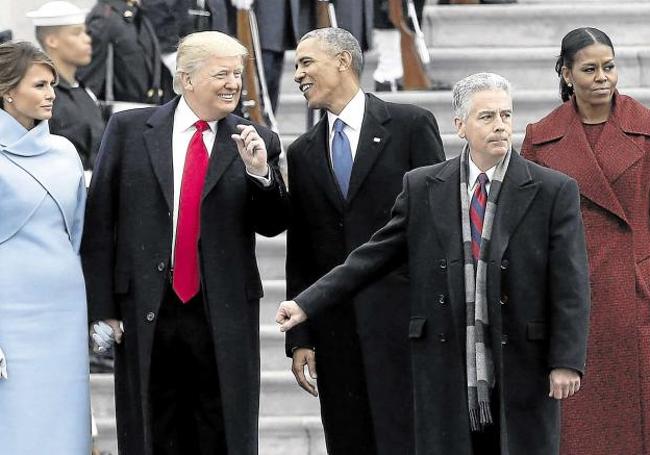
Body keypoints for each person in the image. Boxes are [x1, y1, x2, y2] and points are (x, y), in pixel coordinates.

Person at [277, 72, 591, 455]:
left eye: (506, 116)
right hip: (444, 360)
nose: (500, 126)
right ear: (460, 125)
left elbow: (570, 284)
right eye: (487, 116)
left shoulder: (552, 189)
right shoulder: (423, 186)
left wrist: (566, 361)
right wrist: (306, 303)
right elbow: (371, 256)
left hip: (521, 360)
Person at [81, 31, 288, 455]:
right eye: (222, 74)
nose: (233, 83)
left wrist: (260, 175)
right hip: (147, 307)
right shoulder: (128, 129)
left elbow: (273, 224)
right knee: (152, 429)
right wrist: (102, 308)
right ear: (185, 79)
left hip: (221, 310)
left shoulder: (256, 139)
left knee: (220, 429)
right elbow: (101, 223)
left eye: (237, 73)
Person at [286, 26, 444, 455]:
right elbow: (301, 250)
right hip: (337, 332)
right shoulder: (302, 152)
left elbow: (438, 225)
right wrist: (300, 338)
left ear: (342, 61)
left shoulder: (410, 126)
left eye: (306, 62)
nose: (297, 74)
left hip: (404, 323)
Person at [521, 27, 650, 455]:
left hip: (634, 293)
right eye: (589, 69)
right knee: (580, 432)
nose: (602, 78)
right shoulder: (540, 137)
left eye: (609, 67)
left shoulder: (646, 129)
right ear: (565, 73)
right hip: (571, 297)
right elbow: (529, 226)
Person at [0, 41, 90, 454]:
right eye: (39, 85)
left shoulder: (65, 152)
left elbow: (77, 232)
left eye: (53, 84)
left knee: (62, 420)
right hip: (10, 312)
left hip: (64, 310)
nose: (52, 93)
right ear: (7, 91)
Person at [28, 0, 106, 171]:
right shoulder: (41, 96)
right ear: (52, 41)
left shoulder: (85, 91)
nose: (87, 39)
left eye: (85, 32)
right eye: (77, 33)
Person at [78, 0, 174, 105]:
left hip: (147, 107)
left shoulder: (137, 13)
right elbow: (89, 79)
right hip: (120, 110)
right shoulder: (104, 19)